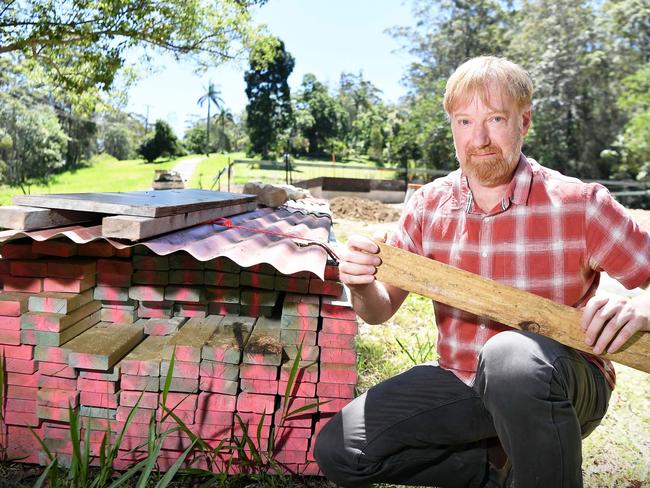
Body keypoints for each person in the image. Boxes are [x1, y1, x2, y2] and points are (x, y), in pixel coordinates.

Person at [313, 56, 650, 488]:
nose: (480, 138)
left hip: (561, 381)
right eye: (465, 121)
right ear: (451, 127)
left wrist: (642, 307)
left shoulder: (579, 203)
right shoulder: (427, 206)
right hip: (462, 381)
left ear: (523, 122)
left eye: (495, 118)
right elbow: (378, 311)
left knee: (511, 357)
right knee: (340, 450)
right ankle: (492, 475)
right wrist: (360, 284)